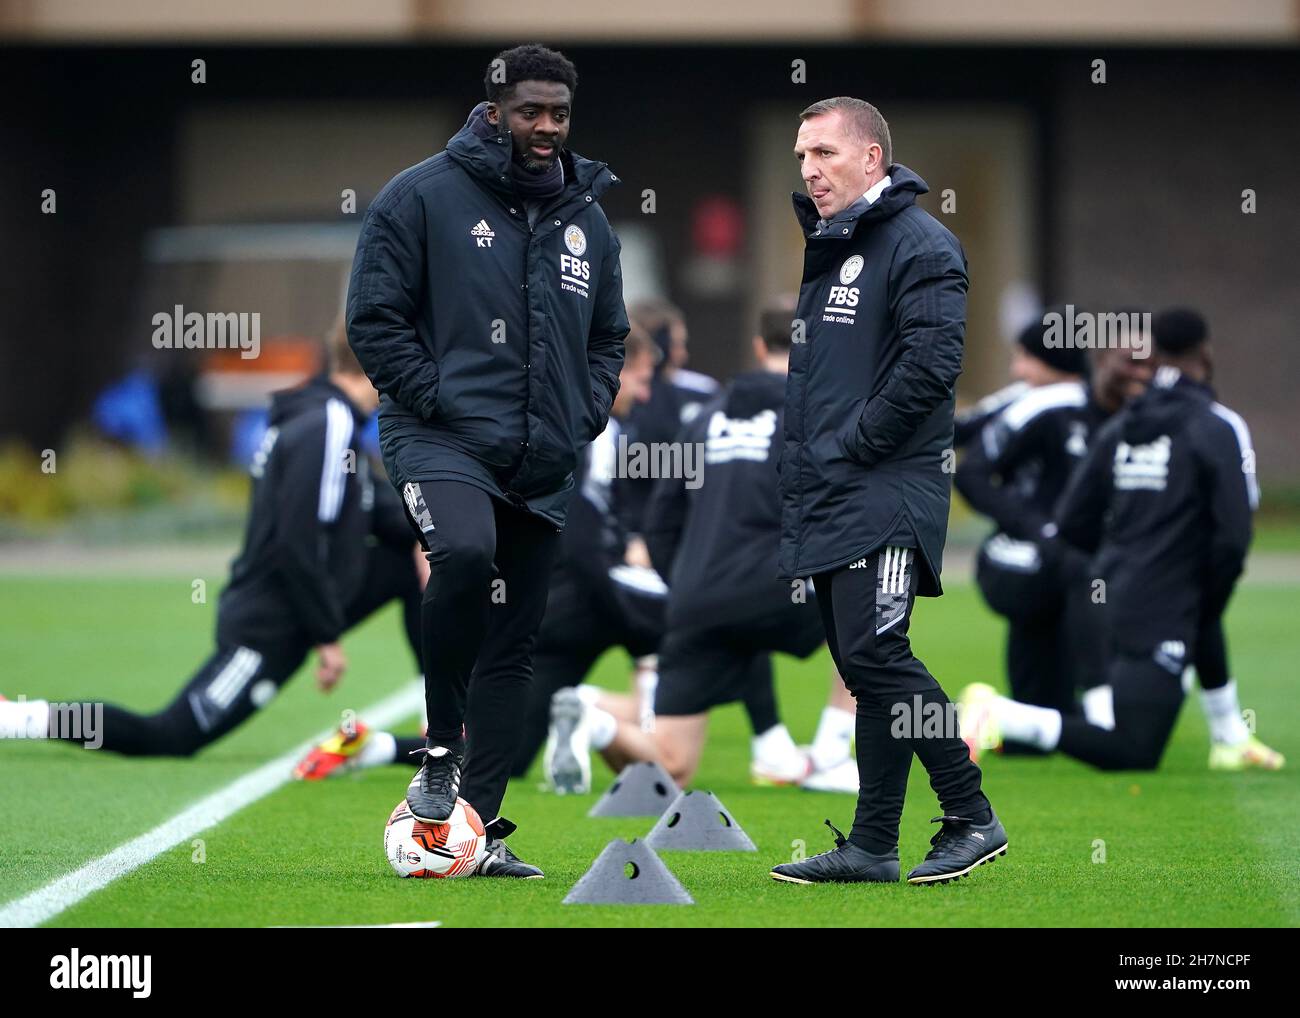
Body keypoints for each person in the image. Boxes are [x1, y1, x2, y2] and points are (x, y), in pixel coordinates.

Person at [344, 44, 627, 877]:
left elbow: (609, 334)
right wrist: (437, 398)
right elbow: (373, 318)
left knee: (516, 643)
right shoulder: (421, 195)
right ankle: (439, 753)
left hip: (543, 456)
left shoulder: (589, 217)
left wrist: (588, 407)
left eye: (560, 114)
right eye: (530, 111)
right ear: (495, 107)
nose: (546, 128)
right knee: (463, 555)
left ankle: (480, 828)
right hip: (440, 437)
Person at [769, 96, 1005, 887]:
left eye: (826, 154)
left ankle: (970, 814)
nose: (810, 169)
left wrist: (856, 444)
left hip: (888, 489)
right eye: (803, 156)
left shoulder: (921, 244)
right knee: (863, 668)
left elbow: (933, 367)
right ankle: (872, 845)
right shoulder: (836, 244)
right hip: (834, 488)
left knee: (878, 654)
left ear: (872, 158)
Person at [0, 323, 425, 759]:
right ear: (377, 365)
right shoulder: (327, 423)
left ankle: (439, 712)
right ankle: (19, 719)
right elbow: (296, 543)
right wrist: (327, 637)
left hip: (303, 606)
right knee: (169, 735)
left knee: (419, 552)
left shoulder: (327, 418)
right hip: (269, 623)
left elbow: (378, 514)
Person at [545, 302, 858, 790]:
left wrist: (684, 580)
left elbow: (661, 520)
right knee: (874, 598)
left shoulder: (704, 417)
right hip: (778, 587)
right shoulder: (820, 414)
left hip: (697, 599)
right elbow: (845, 510)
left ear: (758, 348)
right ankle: (830, 755)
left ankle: (598, 721)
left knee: (672, 766)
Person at [961, 308, 1283, 770]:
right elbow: (1233, 536)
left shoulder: (1121, 427)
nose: (1135, 372)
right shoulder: (1214, 425)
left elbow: (1076, 518)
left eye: (1143, 363)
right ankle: (1015, 713)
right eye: (1125, 361)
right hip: (1095, 587)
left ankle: (1227, 735)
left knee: (1108, 616)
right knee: (1131, 747)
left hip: (1116, 593)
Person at [955, 315, 1128, 712]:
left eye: (1025, 357)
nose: (1017, 369)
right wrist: (1037, 527)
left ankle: (1031, 718)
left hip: (1067, 554)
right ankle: (1100, 708)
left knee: (1056, 631)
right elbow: (967, 461)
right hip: (1022, 555)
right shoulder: (1028, 401)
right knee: (1076, 581)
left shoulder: (1103, 406)